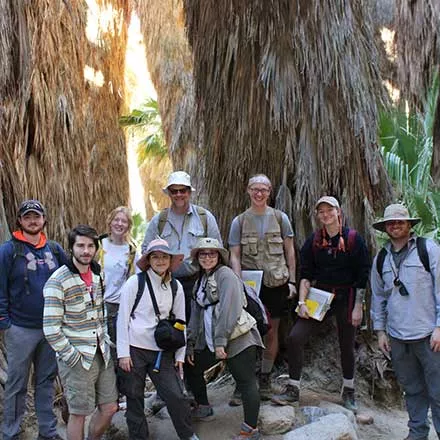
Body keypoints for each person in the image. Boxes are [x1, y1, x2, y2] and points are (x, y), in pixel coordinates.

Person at [276, 196, 369, 411]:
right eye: (321, 212)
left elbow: (362, 275)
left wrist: (358, 307)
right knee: (295, 337)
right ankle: (293, 388)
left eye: (329, 210)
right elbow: (306, 274)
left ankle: (349, 390)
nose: (326, 215)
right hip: (321, 295)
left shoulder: (354, 239)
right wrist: (302, 302)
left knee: (346, 343)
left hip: (347, 296)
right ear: (318, 216)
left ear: (338, 212)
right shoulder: (315, 241)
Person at [116, 238, 199, 440]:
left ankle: (188, 435)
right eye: (155, 257)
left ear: (170, 260)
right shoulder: (135, 282)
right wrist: (123, 354)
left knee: (176, 396)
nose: (160, 261)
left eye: (164, 257)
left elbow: (181, 322)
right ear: (149, 260)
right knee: (134, 398)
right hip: (135, 349)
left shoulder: (176, 287)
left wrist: (180, 355)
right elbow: (122, 319)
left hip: (162, 351)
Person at [371, 203, 440, 440]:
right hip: (398, 337)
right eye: (390, 222)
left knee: (438, 390)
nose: (395, 225)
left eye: (400, 221)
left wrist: (439, 327)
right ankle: (417, 434)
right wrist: (380, 332)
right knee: (411, 390)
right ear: (385, 228)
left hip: (429, 335)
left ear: (409, 224)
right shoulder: (381, 258)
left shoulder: (427, 249)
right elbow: (378, 297)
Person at [0, 199, 67, 440]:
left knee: (46, 381)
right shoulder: (8, 250)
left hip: (50, 328)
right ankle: (11, 433)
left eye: (36, 217)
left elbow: (70, 278)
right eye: (27, 217)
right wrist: (5, 322)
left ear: (43, 220)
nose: (32, 221)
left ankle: (48, 432)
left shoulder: (54, 249)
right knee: (16, 384)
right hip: (20, 328)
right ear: (20, 220)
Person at [43, 225, 118, 440]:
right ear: (71, 248)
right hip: (77, 357)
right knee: (78, 414)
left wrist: (106, 340)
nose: (86, 251)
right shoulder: (58, 280)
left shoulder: (97, 274)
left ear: (95, 248)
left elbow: (101, 312)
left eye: (90, 246)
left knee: (110, 407)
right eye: (80, 246)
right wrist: (72, 357)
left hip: (102, 353)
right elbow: (50, 328)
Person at [184, 238, 264, 440]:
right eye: (203, 254)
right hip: (212, 341)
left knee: (246, 382)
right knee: (192, 366)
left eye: (212, 253)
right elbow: (196, 315)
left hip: (238, 338)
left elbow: (230, 310)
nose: (208, 257)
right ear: (197, 258)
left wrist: (220, 342)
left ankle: (250, 429)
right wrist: (191, 344)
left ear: (219, 256)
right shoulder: (200, 281)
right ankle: (203, 406)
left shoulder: (226, 276)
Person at [228, 174, 296, 400]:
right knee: (246, 332)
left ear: (270, 192)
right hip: (250, 288)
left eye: (264, 190)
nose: (259, 194)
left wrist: (293, 281)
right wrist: (238, 285)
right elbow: (235, 255)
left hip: (276, 283)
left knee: (272, 331)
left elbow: (290, 252)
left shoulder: (280, 218)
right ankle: (245, 381)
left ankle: (265, 377)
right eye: (255, 189)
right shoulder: (239, 221)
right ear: (248, 190)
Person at [142, 171, 222, 321]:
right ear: (169, 193)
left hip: (198, 282)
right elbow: (146, 250)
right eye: (174, 191)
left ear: (189, 192)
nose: (178, 194)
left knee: (197, 327)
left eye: (182, 190)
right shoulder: (158, 221)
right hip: (166, 284)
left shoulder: (205, 217)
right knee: (170, 327)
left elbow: (218, 250)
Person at [96, 206, 139, 362]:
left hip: (119, 308)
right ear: (110, 221)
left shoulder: (132, 251)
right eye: (117, 220)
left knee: (116, 353)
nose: (120, 224)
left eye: (124, 221)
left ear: (129, 225)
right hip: (97, 306)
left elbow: (136, 279)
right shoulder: (98, 245)